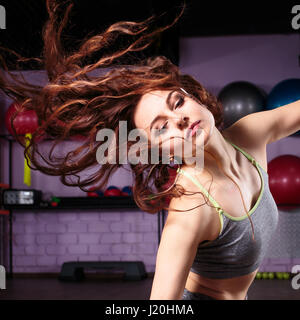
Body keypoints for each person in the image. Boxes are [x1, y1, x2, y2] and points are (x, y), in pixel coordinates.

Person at [0, 0, 299, 300]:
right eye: (161, 128)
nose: (179, 120)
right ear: (159, 151)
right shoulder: (192, 209)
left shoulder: (250, 134)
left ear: (194, 97)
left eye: (177, 103)